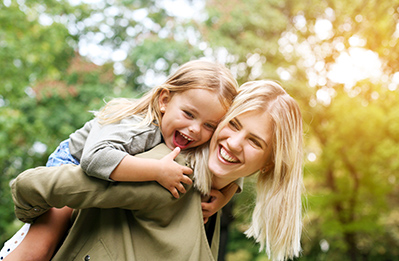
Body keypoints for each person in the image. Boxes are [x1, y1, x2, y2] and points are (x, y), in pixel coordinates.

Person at [9, 80, 304, 261]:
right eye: (234, 125)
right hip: (78, 157)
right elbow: (34, 185)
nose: (235, 143)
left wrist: (228, 191)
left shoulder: (212, 196)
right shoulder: (168, 173)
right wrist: (36, 217)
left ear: (268, 164)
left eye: (254, 141)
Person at [0, 59, 240, 261]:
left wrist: (225, 195)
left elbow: (233, 164)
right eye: (189, 114)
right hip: (73, 160)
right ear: (164, 100)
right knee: (41, 247)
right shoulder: (138, 127)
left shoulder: (192, 139)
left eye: (210, 125)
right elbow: (94, 159)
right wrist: (157, 171)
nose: (196, 129)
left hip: (107, 168)